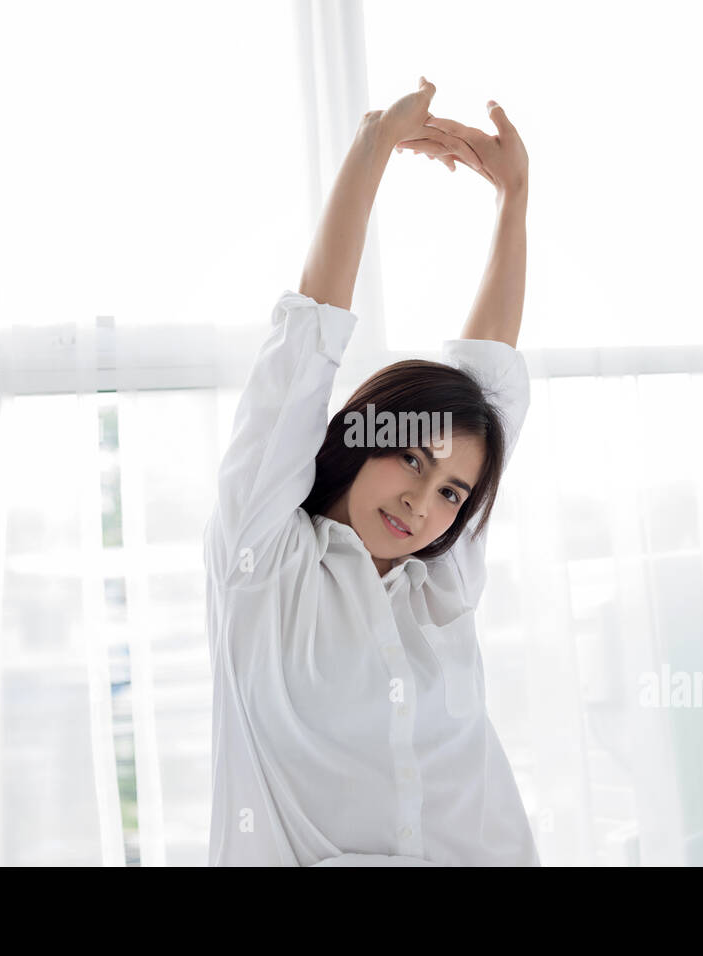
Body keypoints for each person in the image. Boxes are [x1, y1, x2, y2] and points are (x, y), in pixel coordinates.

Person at [204, 77, 535, 866]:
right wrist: (371, 151)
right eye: (411, 460)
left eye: (452, 492)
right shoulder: (267, 564)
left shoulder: (439, 584)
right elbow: (304, 345)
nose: (424, 503)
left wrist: (514, 198)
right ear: (361, 435)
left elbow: (493, 382)